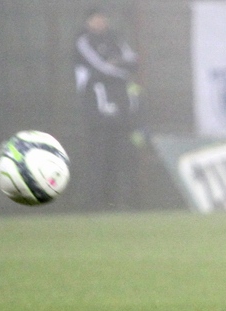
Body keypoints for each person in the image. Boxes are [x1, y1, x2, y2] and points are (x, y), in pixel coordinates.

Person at [74, 7, 140, 210]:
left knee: (119, 153)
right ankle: (95, 202)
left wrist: (116, 64)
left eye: (102, 18)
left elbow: (133, 61)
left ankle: (117, 201)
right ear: (88, 21)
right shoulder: (83, 41)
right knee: (98, 153)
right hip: (96, 109)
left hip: (120, 107)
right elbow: (99, 67)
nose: (100, 22)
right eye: (96, 19)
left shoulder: (116, 39)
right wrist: (120, 70)